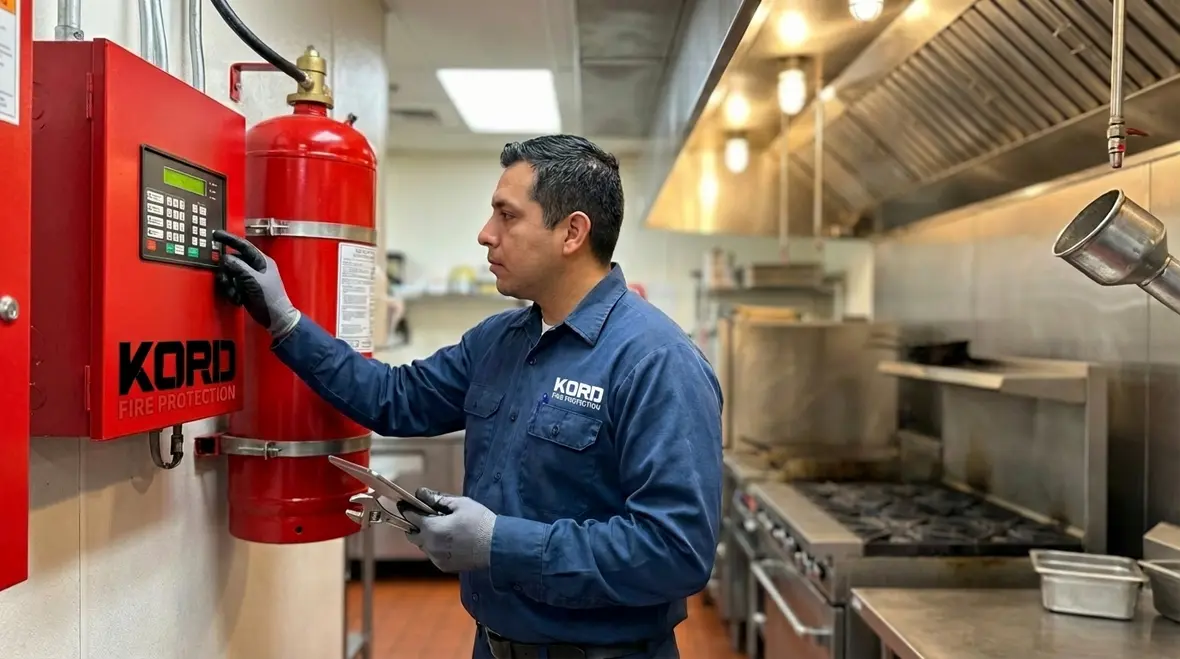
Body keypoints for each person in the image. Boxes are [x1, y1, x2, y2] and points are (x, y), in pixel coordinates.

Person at [212, 134, 723, 659]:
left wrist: (498, 542)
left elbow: (676, 551)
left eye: (507, 215)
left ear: (572, 232)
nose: (485, 235)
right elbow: (393, 397)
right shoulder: (499, 341)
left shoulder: (656, 361)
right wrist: (286, 320)